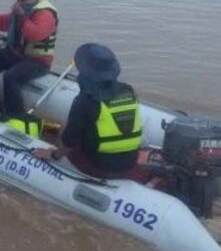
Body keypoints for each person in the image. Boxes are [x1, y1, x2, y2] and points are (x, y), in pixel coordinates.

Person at [33, 44, 142, 177]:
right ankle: (49, 128)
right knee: (72, 127)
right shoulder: (128, 91)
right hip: (130, 161)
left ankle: (43, 127)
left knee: (59, 131)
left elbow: (69, 142)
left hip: (96, 165)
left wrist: (53, 155)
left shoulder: (85, 101)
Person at [0, 0, 58, 121]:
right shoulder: (24, 10)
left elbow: (33, 34)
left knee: (10, 77)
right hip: (17, 54)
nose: (20, 4)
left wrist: (21, 16)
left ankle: (15, 114)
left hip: (38, 61)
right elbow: (6, 21)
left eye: (23, 1)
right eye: (18, 1)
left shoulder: (46, 14)